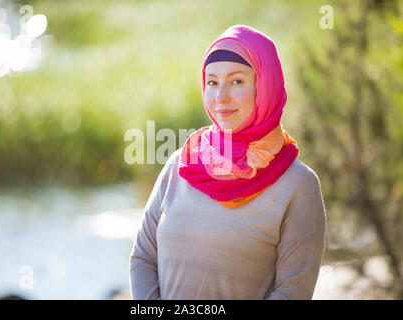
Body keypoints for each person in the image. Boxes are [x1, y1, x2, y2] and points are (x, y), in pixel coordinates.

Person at [128, 24, 326, 300]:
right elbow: (142, 259)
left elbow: (293, 292)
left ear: (264, 86)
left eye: (236, 81)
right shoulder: (180, 165)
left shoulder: (298, 185)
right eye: (212, 82)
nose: (220, 97)